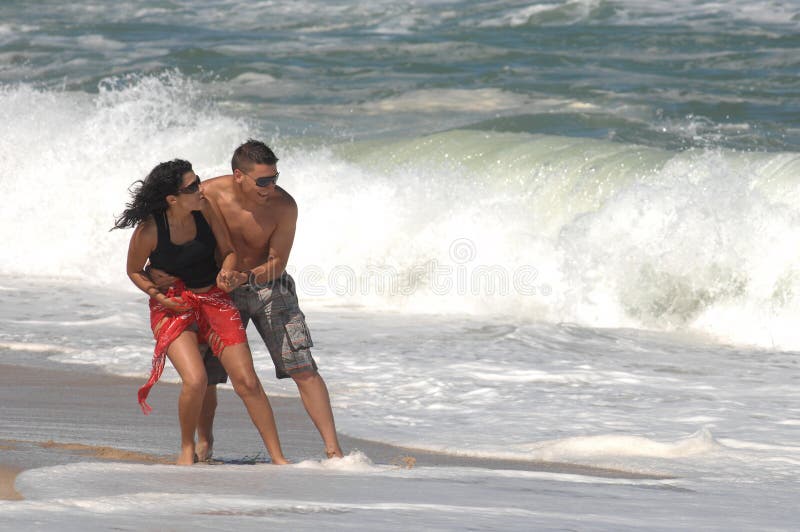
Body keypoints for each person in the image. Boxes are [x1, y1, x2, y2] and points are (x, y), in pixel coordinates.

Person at [151, 141, 343, 459]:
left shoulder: (284, 206)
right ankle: (205, 443)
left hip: (268, 286)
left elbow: (277, 262)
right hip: (216, 290)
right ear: (238, 175)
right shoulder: (207, 195)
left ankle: (334, 450)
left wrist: (247, 277)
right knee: (207, 374)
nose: (271, 187)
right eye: (264, 181)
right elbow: (167, 226)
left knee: (302, 365)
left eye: (275, 178)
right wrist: (154, 271)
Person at [114, 159, 288, 465]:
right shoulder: (150, 230)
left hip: (215, 299)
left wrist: (227, 271)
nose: (201, 189)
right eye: (192, 186)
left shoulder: (204, 209)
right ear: (172, 199)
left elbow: (229, 252)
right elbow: (134, 271)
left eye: (199, 181)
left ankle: (278, 458)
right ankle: (186, 448)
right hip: (174, 305)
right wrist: (159, 296)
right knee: (195, 380)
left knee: (247, 381)